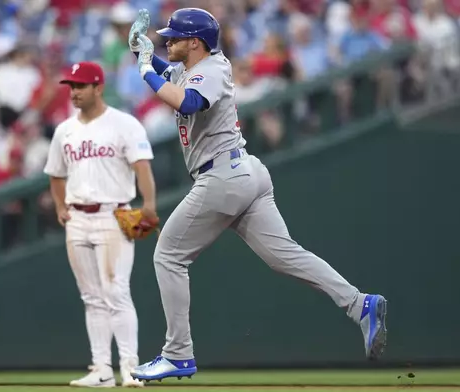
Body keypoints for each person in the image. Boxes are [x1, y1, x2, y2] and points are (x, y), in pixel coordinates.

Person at [128, 8, 388, 382]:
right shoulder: (189, 68)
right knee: (286, 256)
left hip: (222, 176)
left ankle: (178, 354)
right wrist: (142, 52)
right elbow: (165, 77)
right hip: (242, 172)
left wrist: (145, 67)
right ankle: (359, 304)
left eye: (175, 37)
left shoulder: (213, 68)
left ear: (196, 42)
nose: (168, 41)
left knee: (168, 256)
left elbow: (186, 102)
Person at [43, 61, 157, 388]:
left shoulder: (124, 124)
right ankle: (102, 369)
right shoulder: (65, 129)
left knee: (115, 291)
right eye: (72, 86)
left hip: (113, 214)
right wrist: (61, 205)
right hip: (78, 217)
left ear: (98, 87)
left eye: (81, 86)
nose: (75, 92)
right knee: (92, 297)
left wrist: (148, 204)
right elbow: (55, 173)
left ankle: (130, 368)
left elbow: (142, 168)